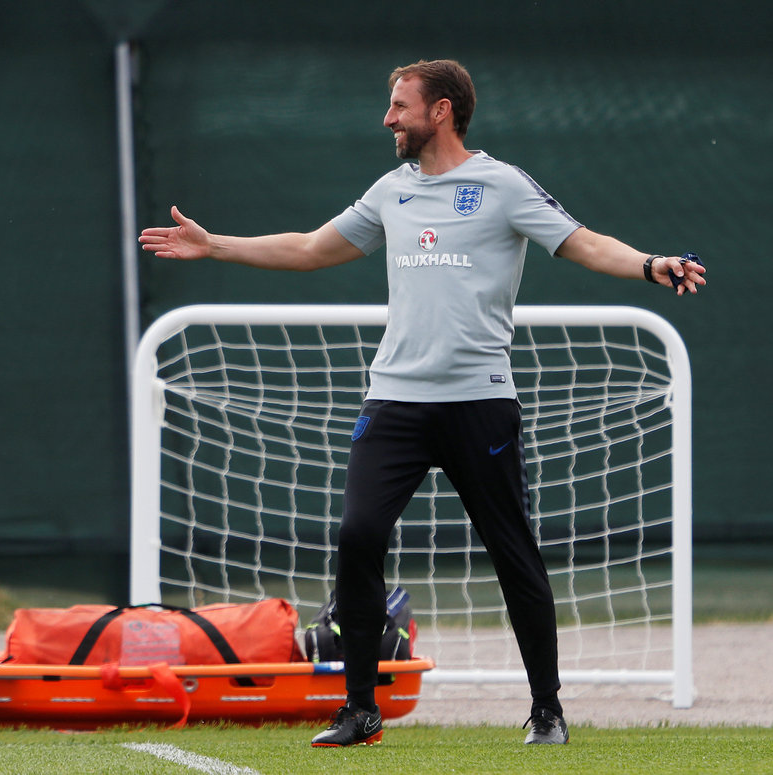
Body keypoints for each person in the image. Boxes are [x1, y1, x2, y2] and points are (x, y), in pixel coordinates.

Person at [140, 58, 706, 747]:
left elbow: (583, 243)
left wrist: (651, 264)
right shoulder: (390, 191)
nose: (388, 119)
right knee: (356, 536)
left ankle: (548, 709)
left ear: (440, 111)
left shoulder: (501, 184)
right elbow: (312, 248)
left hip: (479, 405)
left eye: (400, 106)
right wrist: (214, 244)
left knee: (513, 553)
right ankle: (359, 710)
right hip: (395, 403)